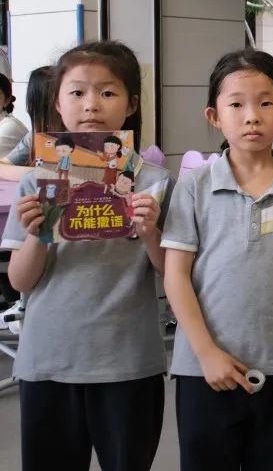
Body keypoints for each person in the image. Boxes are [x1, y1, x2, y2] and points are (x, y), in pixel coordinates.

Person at [2, 40, 172, 471]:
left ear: (131, 104)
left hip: (128, 362)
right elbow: (20, 282)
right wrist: (37, 234)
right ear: (58, 104)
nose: (91, 104)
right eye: (77, 92)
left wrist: (150, 233)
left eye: (107, 92)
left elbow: (171, 275)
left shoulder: (153, 181)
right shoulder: (37, 181)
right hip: (48, 359)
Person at [162, 49, 273, 471]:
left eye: (265, 102)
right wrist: (206, 353)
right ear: (214, 116)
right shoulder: (194, 186)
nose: (252, 116)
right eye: (236, 104)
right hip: (206, 368)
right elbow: (176, 275)